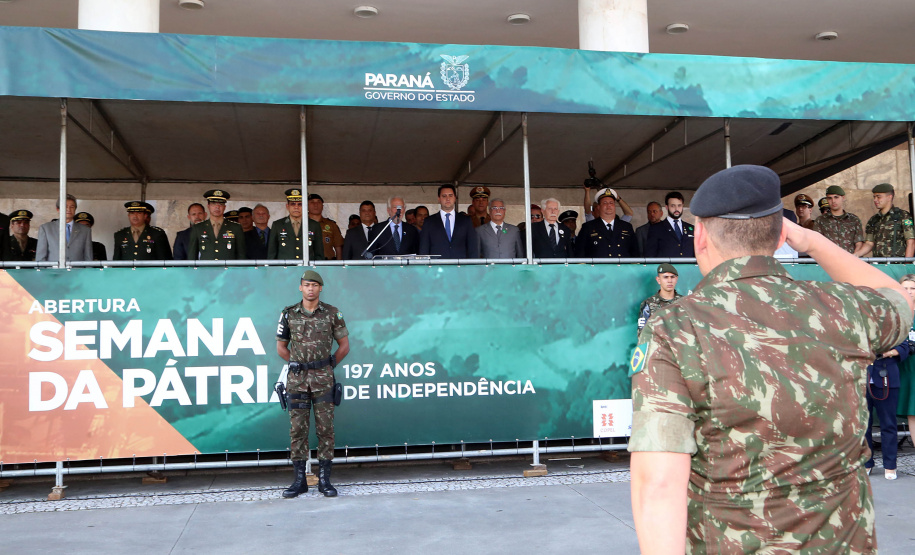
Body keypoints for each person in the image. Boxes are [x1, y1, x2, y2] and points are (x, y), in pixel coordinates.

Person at [629, 164, 913, 554]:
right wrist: (812, 241)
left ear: (700, 235)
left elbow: (659, 484)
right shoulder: (841, 307)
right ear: (782, 235)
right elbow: (900, 302)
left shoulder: (675, 327)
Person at [276, 270, 350, 499]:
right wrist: (297, 364)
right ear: (301, 287)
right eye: (307, 285)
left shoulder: (332, 313)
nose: (310, 289)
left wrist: (327, 365)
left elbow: (344, 346)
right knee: (297, 430)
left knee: (325, 430)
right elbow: (281, 347)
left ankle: (324, 480)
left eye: (315, 285)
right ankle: (299, 481)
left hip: (323, 379)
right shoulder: (288, 314)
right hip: (297, 381)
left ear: (320, 288)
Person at [864, 316, 910, 480]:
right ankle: (866, 463)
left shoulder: (895, 325)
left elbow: (904, 347)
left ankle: (890, 466)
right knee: (863, 425)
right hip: (862, 379)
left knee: (888, 424)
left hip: (886, 379)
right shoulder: (859, 323)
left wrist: (886, 353)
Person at [418, 185, 479, 259]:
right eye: (444, 196)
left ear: (455, 198)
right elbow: (424, 249)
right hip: (437, 265)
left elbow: (472, 248)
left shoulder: (465, 220)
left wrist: (473, 265)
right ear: (439, 199)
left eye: (450, 195)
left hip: (460, 265)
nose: (447, 199)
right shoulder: (429, 221)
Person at [574, 189, 637, 258]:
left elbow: (635, 253)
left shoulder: (626, 226)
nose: (608, 205)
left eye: (611, 203)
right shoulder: (588, 227)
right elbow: (580, 253)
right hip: (598, 265)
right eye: (605, 203)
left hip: (622, 265)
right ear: (598, 207)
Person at [857, 183, 915, 258]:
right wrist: (855, 255)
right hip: (878, 263)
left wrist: (907, 263)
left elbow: (911, 242)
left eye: (878, 197)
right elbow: (869, 243)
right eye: (874, 197)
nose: (875, 200)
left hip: (897, 263)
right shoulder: (874, 219)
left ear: (889, 197)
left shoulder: (903, 216)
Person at [187, 189, 247, 261]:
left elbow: (241, 255)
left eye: (220, 204)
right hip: (206, 268)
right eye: (213, 204)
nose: (217, 207)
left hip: (228, 268)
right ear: (208, 206)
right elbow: (192, 256)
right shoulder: (198, 228)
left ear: (224, 207)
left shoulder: (235, 227)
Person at [268, 189, 324, 261]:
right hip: (284, 268)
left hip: (306, 267)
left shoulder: (314, 225)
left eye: (300, 204)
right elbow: (272, 254)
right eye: (293, 204)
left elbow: (319, 254)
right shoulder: (278, 225)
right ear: (287, 206)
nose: (296, 207)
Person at [36, 194, 93, 262]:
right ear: (58, 209)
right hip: (54, 268)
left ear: (75, 209)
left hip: (77, 269)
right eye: (65, 206)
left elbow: (88, 257)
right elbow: (40, 258)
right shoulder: (46, 229)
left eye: (72, 207)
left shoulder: (85, 230)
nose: (68, 209)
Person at [812, 185, 864, 254]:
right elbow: (817, 243)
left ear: (843, 198)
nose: (833, 201)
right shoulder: (820, 220)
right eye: (830, 198)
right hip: (829, 258)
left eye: (836, 197)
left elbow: (859, 243)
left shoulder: (854, 219)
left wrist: (854, 257)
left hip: (849, 258)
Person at [645, 192, 694, 258]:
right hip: (666, 265)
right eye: (673, 206)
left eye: (679, 205)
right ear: (667, 207)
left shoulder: (691, 228)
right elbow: (650, 255)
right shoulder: (656, 229)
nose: (676, 209)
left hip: (688, 265)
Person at [636, 263, 681, 335]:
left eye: (672, 277)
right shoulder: (648, 304)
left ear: (676, 279)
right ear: (658, 280)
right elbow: (642, 334)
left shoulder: (685, 302)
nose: (669, 280)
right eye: (665, 277)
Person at [897, 274, 915, 449]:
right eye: (905, 288)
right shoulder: (896, 313)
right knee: (913, 412)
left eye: (913, 288)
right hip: (905, 369)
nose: (909, 291)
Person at [307, 194, 345, 260]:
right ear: (306, 205)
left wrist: (339, 264)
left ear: (322, 206)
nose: (315, 205)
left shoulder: (331, 225)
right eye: (312, 202)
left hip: (327, 263)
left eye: (318, 202)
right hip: (307, 262)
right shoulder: (302, 224)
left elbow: (338, 247)